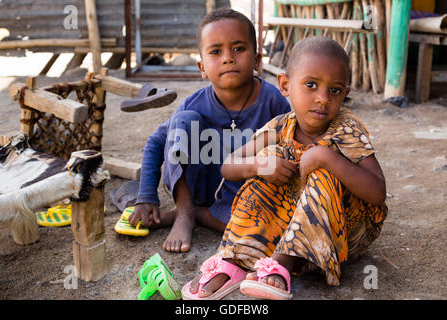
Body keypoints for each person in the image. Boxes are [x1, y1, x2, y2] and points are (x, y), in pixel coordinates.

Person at [182, 36, 388, 300]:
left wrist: (327, 157)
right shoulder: (281, 126)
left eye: (335, 90)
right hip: (296, 229)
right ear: (285, 85)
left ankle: (282, 263)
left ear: (345, 94)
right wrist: (259, 165)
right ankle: (237, 259)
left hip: (346, 234)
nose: (323, 99)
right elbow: (228, 166)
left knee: (321, 170)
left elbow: (377, 193)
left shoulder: (346, 129)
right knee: (269, 158)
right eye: (311, 85)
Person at [128, 8, 290, 253]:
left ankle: (198, 216)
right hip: (201, 188)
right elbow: (155, 143)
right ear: (202, 67)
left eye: (238, 48)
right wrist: (146, 195)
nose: (228, 58)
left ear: (257, 60)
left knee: (263, 231)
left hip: (248, 198)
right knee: (183, 121)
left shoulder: (273, 101)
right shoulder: (196, 103)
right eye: (216, 52)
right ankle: (183, 213)